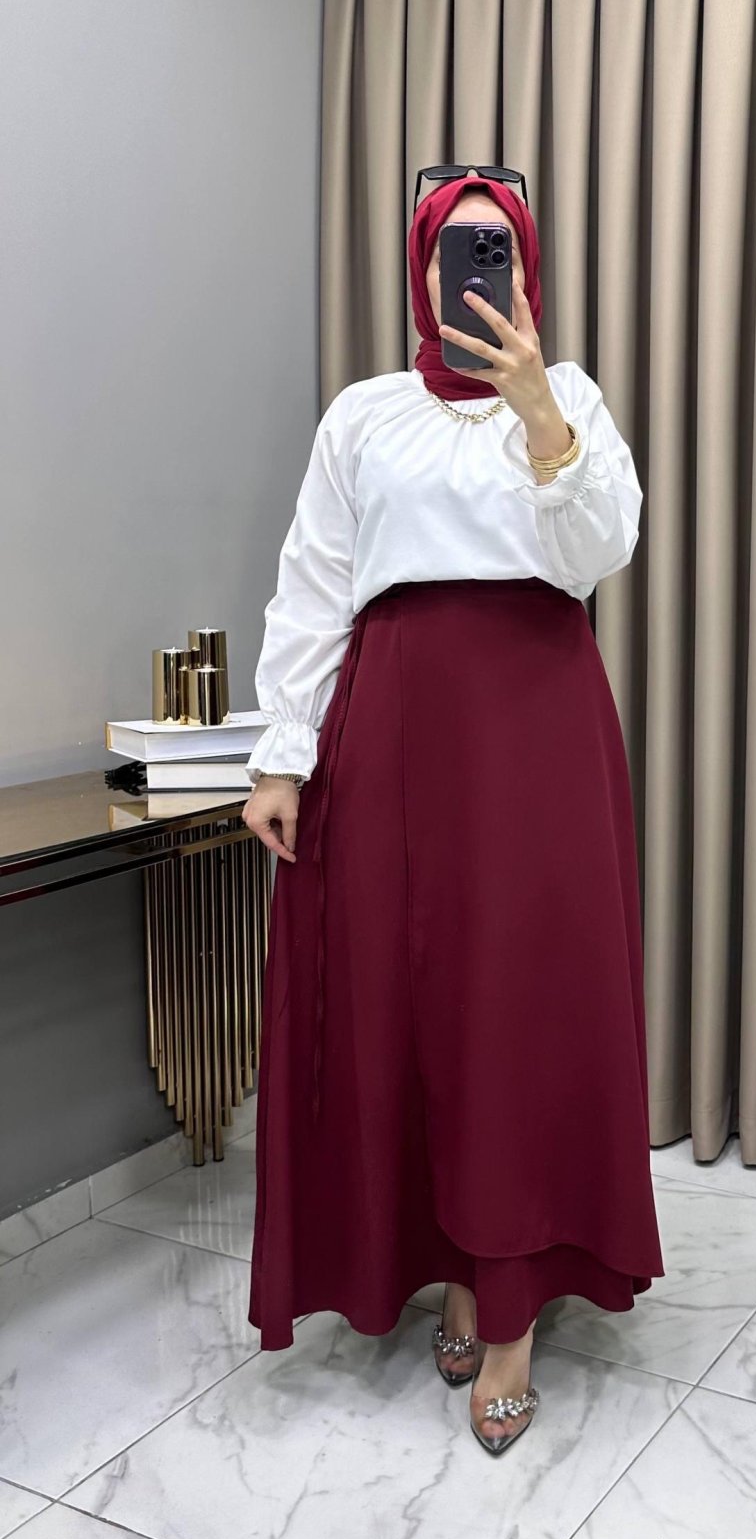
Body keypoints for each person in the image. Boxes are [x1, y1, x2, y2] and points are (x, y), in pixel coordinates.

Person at [242, 168, 664, 1456]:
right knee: (409, 1001)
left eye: (498, 249)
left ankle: (513, 1299)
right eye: (452, 250)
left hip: (534, 735)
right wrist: (282, 754)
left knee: (520, 1008)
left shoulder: (568, 395)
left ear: (526, 270)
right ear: (421, 272)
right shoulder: (365, 415)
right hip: (391, 734)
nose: (473, 270)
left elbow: (601, 549)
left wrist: (538, 408)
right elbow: (316, 578)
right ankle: (451, 1265)